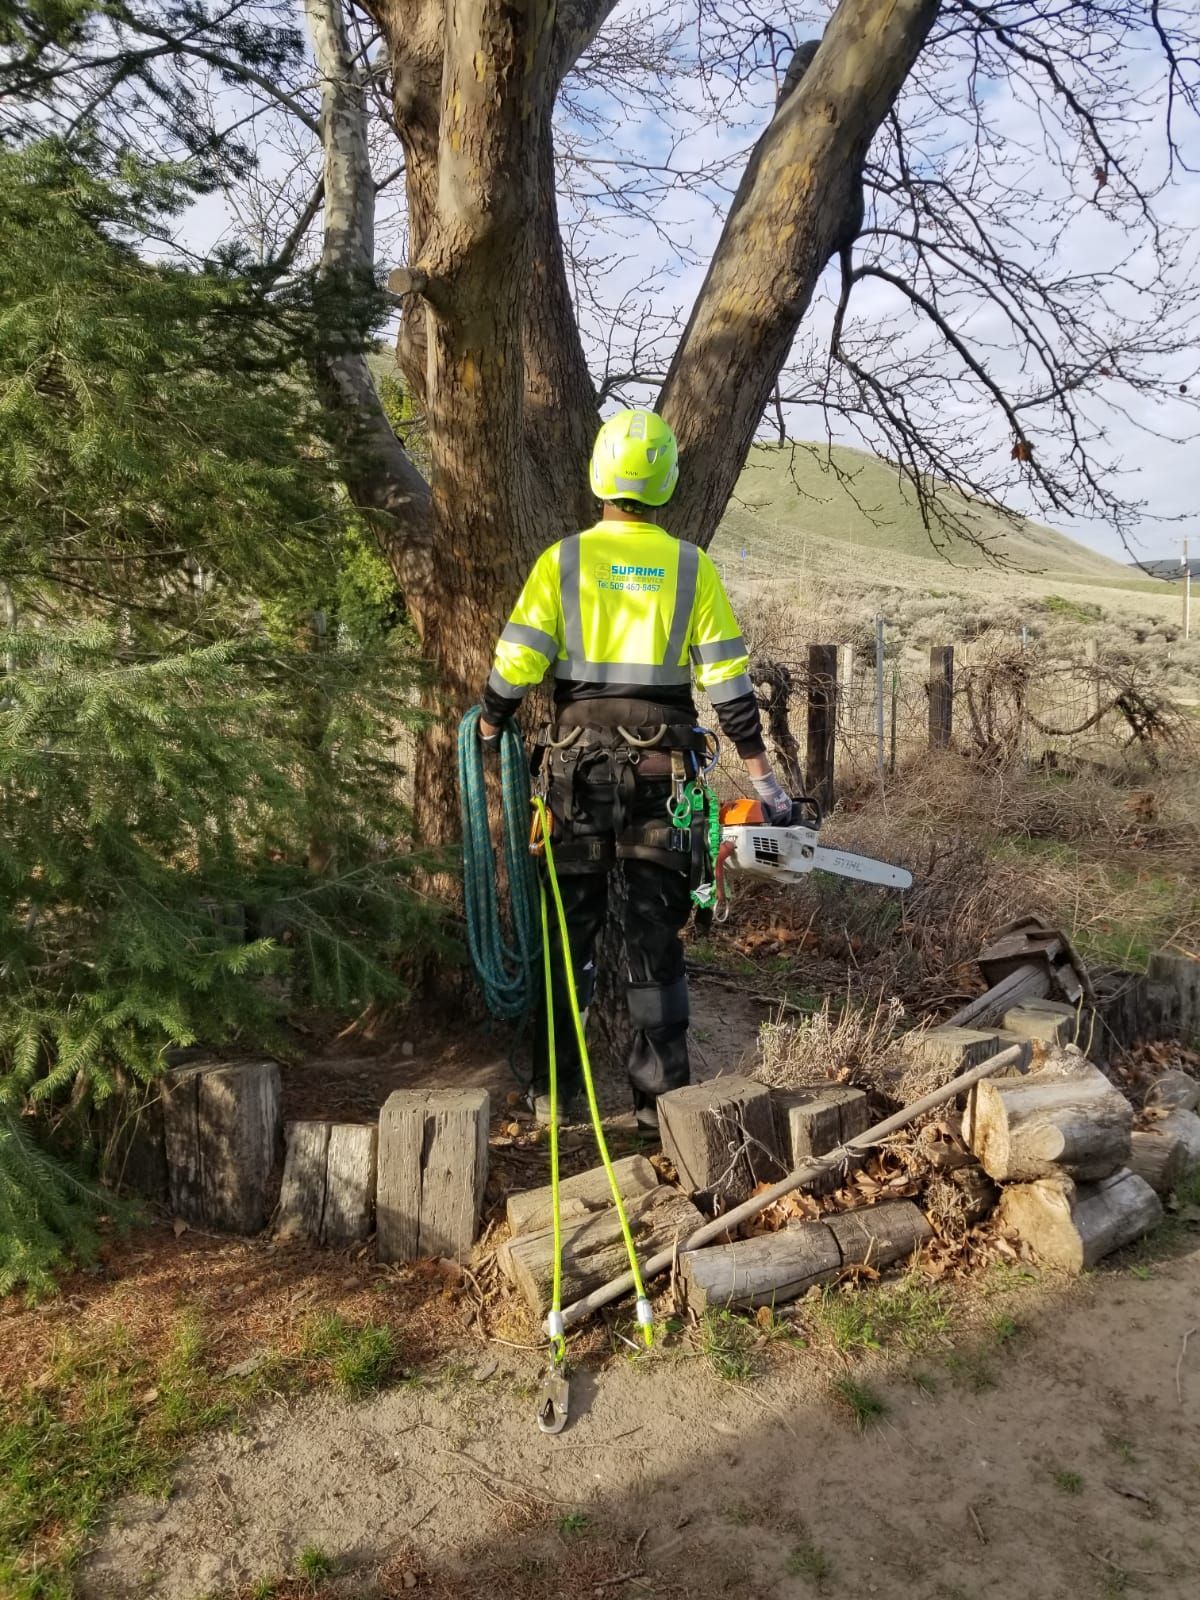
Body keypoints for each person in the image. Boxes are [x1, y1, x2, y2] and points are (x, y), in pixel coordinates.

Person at [478, 409, 792, 1132]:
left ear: (598, 475)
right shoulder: (691, 568)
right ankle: (660, 1107)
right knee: (656, 941)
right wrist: (765, 784)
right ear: (667, 485)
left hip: (574, 783)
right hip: (662, 782)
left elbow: (519, 660)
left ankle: (557, 1096)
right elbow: (731, 688)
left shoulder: (563, 562)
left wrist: (491, 719)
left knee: (568, 939)